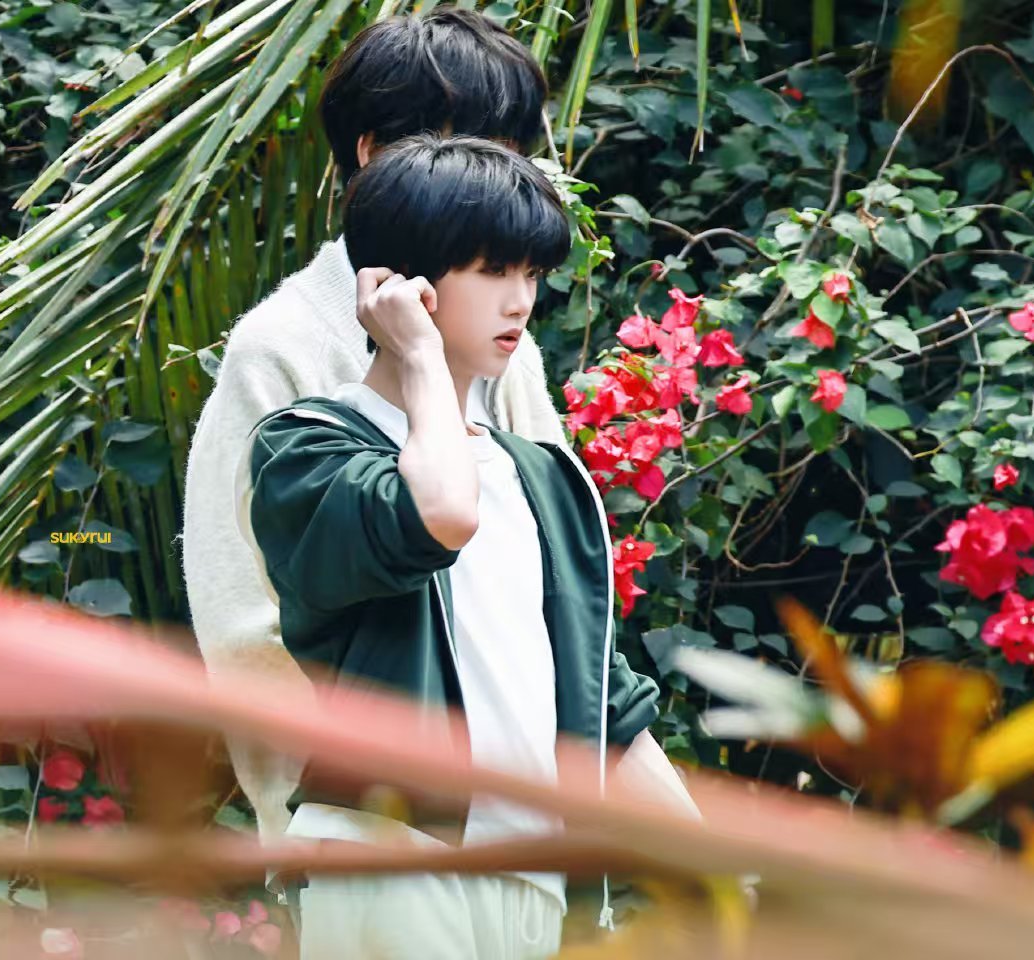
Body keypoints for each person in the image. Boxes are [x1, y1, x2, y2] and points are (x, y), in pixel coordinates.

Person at [236, 132, 700, 960]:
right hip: (390, 857)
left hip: (538, 879)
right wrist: (416, 357)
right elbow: (440, 514)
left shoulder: (544, 477)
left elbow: (603, 709)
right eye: (492, 271)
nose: (519, 302)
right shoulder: (308, 451)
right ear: (402, 285)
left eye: (531, 273)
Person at [180, 3, 565, 895]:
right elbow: (243, 624)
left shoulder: (509, 344)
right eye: (467, 142)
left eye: (508, 148)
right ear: (370, 151)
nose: (493, 174)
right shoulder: (281, 346)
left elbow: (557, 572)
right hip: (365, 826)